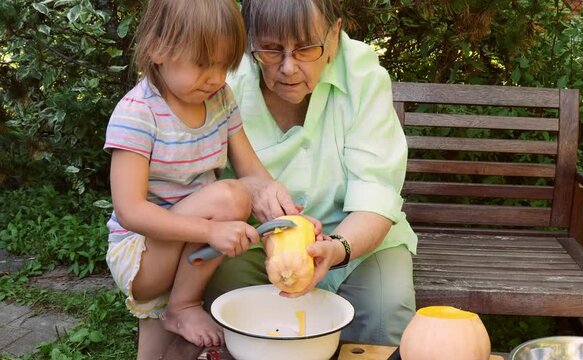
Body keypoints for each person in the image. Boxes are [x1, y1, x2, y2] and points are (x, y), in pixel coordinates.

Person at [103, 0, 311, 358]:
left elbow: (255, 175)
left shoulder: (219, 99)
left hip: (187, 252)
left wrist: (289, 220)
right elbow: (130, 211)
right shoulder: (138, 114)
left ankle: (176, 311)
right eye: (203, 63)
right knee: (231, 197)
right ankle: (184, 306)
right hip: (142, 252)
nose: (215, 77)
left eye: (223, 65)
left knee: (158, 354)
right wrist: (209, 232)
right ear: (158, 49)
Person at [204, 0, 418, 346]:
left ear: (334, 34)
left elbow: (376, 194)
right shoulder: (224, 79)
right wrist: (248, 191)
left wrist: (339, 248)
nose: (288, 68)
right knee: (226, 294)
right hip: (256, 239)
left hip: (357, 236)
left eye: (305, 49)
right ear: (250, 41)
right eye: (271, 50)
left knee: (384, 309)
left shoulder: (365, 78)